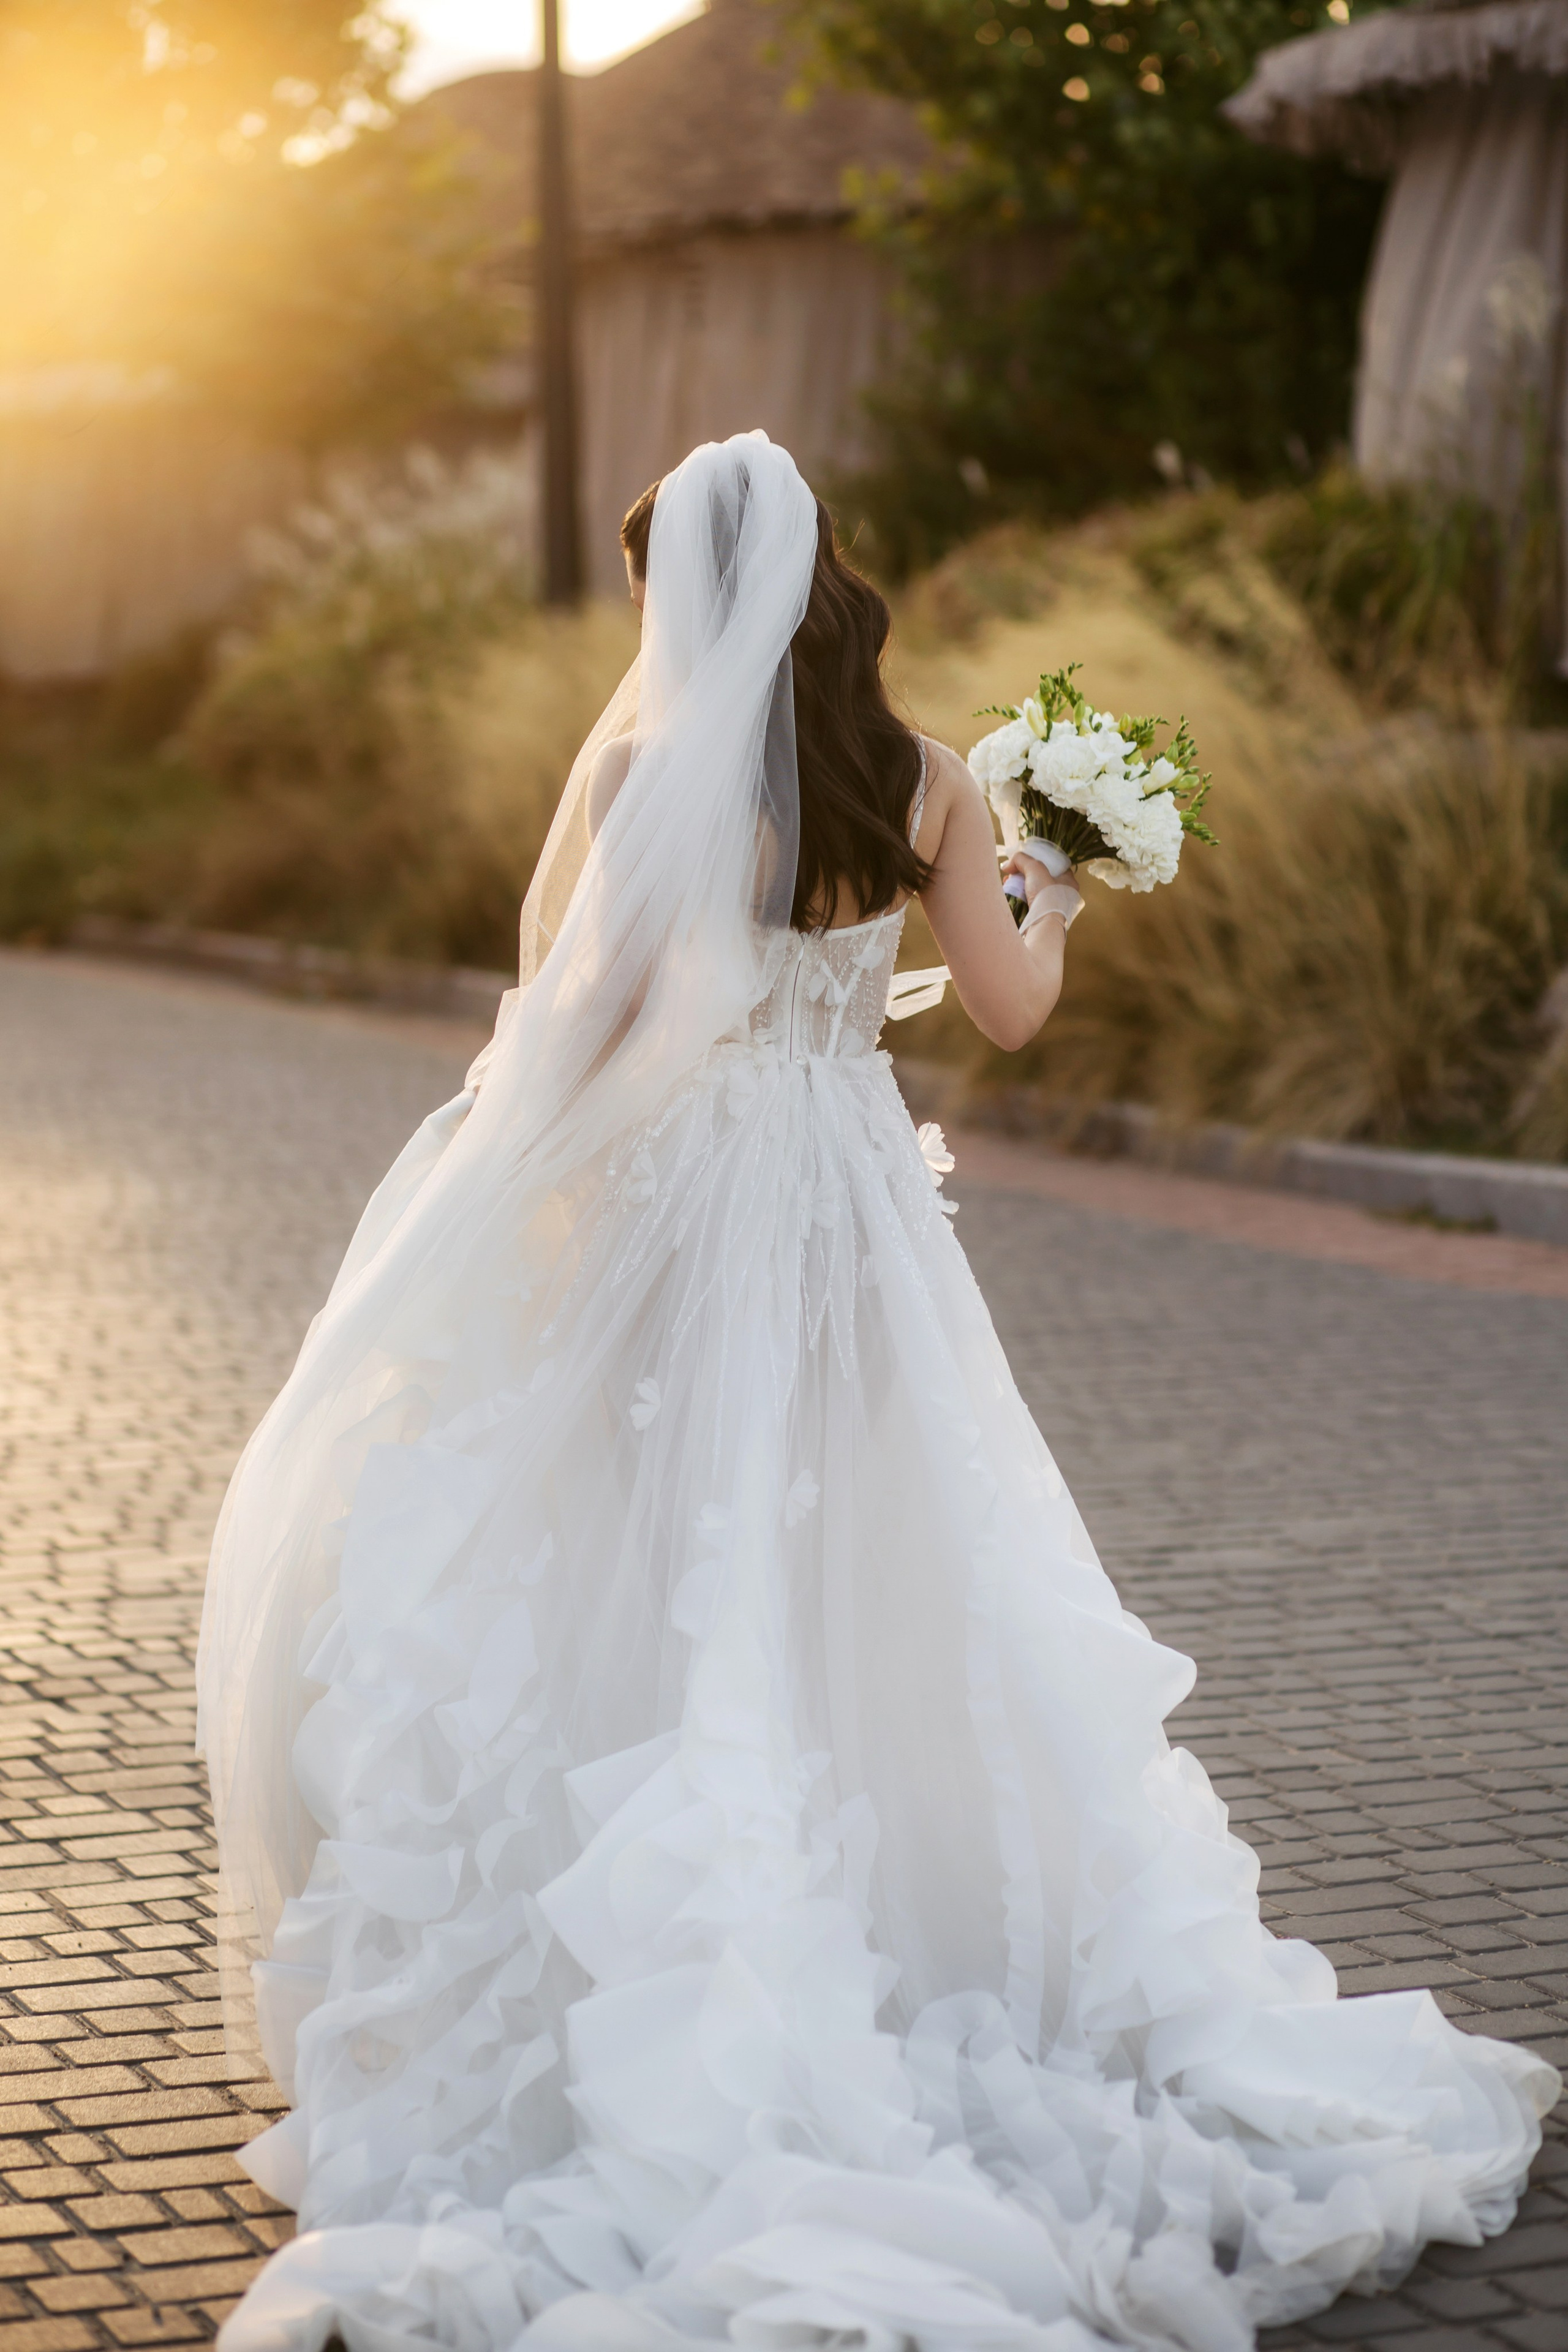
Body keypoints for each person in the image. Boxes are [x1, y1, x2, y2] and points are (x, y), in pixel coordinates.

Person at [198, 435, 1555, 2352]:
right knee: (886, 1549)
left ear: (684, 591)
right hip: (847, 1214)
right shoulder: (928, 781)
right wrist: (1051, 894)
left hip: (688, 1217)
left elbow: (604, 1020)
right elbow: (1006, 1013)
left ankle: (692, 1941)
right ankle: (916, 1922)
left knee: (671, 1551)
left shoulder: (646, 772)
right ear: (825, 573)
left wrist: (520, 1189)